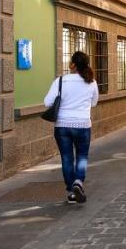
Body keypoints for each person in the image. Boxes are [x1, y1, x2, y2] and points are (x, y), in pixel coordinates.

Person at [43, 51, 99, 204]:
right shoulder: (91, 82)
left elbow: (47, 102)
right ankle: (78, 182)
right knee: (82, 156)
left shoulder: (61, 81)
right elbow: (94, 103)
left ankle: (71, 191)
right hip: (83, 124)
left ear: (72, 64)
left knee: (67, 158)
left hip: (62, 126)